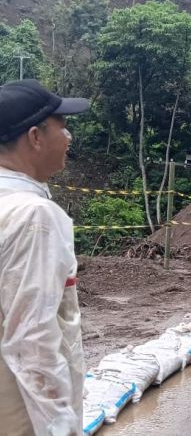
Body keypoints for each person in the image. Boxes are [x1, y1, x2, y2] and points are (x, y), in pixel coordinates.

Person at [0, 79, 90, 435]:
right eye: (63, 128)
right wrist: (60, 427)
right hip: (22, 411)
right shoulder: (33, 216)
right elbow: (31, 339)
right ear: (35, 137)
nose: (68, 139)